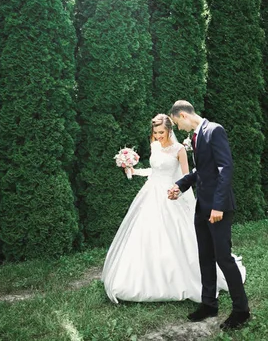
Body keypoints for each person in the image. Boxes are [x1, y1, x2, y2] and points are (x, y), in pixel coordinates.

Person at [102, 114, 245, 304]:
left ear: (170, 129)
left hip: (171, 195)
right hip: (150, 195)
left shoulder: (180, 149)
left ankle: (186, 282)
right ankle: (140, 279)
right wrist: (134, 170)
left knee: (180, 238)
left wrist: (187, 200)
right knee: (145, 236)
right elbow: (155, 171)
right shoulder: (154, 146)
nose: (159, 136)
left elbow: (188, 175)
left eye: (162, 132)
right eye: (155, 132)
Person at [168, 100, 250, 330]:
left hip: (217, 208)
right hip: (201, 207)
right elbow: (201, 170)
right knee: (205, 256)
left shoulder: (214, 130)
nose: (179, 128)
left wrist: (218, 206)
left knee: (223, 257)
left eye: (177, 123)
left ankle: (241, 311)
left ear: (183, 115)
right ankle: (209, 304)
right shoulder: (196, 136)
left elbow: (226, 168)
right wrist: (180, 185)